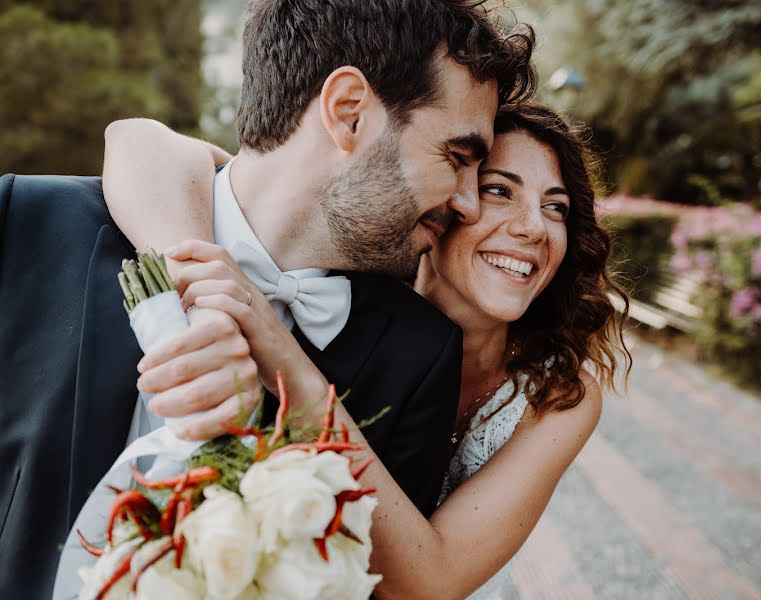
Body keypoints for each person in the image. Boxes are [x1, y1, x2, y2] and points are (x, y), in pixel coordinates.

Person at [0, 1, 535, 596]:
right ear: (349, 113)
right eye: (457, 158)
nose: (468, 203)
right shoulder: (25, 224)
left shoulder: (419, 356)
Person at [103, 102, 630, 598]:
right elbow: (141, 141)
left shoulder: (560, 396)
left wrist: (284, 360)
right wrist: (201, 294)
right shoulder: (348, 284)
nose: (534, 228)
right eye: (499, 191)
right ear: (452, 196)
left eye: (555, 207)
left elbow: (431, 582)